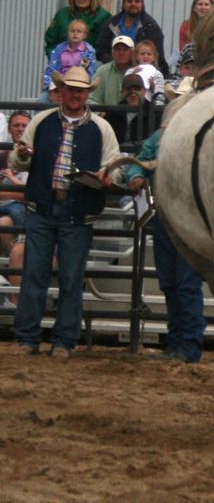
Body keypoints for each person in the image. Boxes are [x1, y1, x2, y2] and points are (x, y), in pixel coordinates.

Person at [10, 66, 120, 357]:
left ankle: (59, 340)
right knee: (36, 273)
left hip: (75, 210)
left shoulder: (100, 128)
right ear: (61, 92)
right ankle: (33, 337)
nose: (74, 94)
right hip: (45, 206)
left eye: (79, 90)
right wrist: (20, 155)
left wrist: (108, 177)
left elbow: (114, 165)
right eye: (70, 89)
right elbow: (18, 159)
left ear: (87, 94)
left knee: (70, 276)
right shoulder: (43, 122)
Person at [126, 129, 206, 363]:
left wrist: (137, 172)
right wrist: (135, 175)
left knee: (185, 283)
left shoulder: (199, 131)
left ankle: (187, 345)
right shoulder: (163, 135)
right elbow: (140, 160)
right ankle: (179, 343)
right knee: (172, 282)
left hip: (189, 217)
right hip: (167, 215)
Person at [96, 0, 168, 76]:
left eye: (137, 1)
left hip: (141, 70)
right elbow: (101, 51)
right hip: (114, 67)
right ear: (123, 4)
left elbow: (158, 56)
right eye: (129, 1)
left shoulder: (151, 26)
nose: (133, 4)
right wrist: (117, 62)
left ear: (142, 4)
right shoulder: (111, 24)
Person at [44, 0, 111, 57]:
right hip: (61, 61)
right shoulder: (62, 14)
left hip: (91, 61)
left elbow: (103, 46)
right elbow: (50, 42)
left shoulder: (103, 16)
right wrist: (56, 58)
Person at [0, 111, 31, 255]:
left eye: (24, 125)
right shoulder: (2, 154)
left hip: (24, 207)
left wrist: (5, 193)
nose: (20, 129)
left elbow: (30, 195)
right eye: (16, 125)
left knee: (6, 222)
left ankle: (16, 263)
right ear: (8, 129)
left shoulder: (38, 155)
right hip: (6, 205)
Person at [105, 74, 161, 144]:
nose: (133, 94)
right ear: (122, 92)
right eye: (129, 90)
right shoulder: (113, 113)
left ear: (144, 91)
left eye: (137, 89)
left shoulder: (155, 113)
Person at [42, 19, 96, 91]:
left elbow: (89, 73)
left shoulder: (89, 52)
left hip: (79, 84)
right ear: (68, 33)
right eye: (72, 31)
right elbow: (51, 69)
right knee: (42, 100)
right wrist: (50, 86)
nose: (75, 34)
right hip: (59, 84)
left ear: (85, 35)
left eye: (79, 31)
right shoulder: (59, 49)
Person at [89, 36, 135, 106]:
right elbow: (91, 99)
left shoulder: (141, 71)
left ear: (132, 52)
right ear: (112, 52)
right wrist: (100, 113)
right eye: (118, 49)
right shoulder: (102, 71)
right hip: (107, 115)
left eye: (125, 49)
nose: (121, 53)